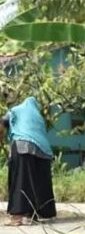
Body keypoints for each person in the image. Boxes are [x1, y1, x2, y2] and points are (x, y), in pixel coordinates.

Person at [2, 97, 56, 226]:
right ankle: (36, 214)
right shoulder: (39, 118)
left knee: (21, 179)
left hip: (22, 144)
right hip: (43, 150)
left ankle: (17, 217)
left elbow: (3, 123)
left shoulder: (16, 110)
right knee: (38, 181)